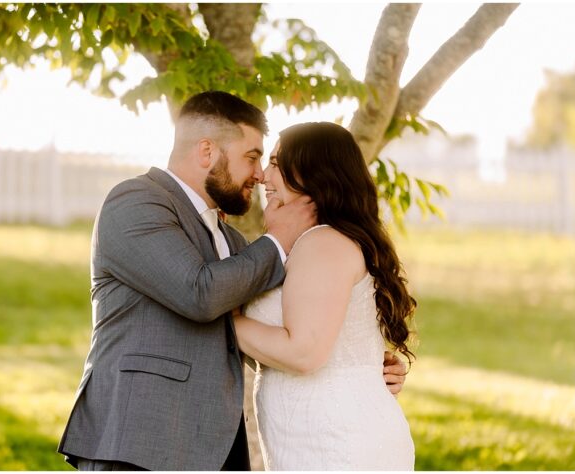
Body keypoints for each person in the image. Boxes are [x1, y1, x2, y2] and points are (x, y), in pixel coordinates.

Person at [58, 92, 407, 470]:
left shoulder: (235, 242)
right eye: (253, 157)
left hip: (215, 445)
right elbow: (200, 295)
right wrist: (277, 242)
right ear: (207, 151)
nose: (260, 175)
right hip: (140, 436)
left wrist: (359, 361)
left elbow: (266, 336)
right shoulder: (135, 202)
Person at [232, 122, 416, 470]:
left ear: (312, 173)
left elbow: (304, 351)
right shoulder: (315, 243)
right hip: (319, 438)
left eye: (275, 162)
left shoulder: (324, 244)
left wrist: (218, 317)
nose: (264, 176)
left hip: (335, 445)